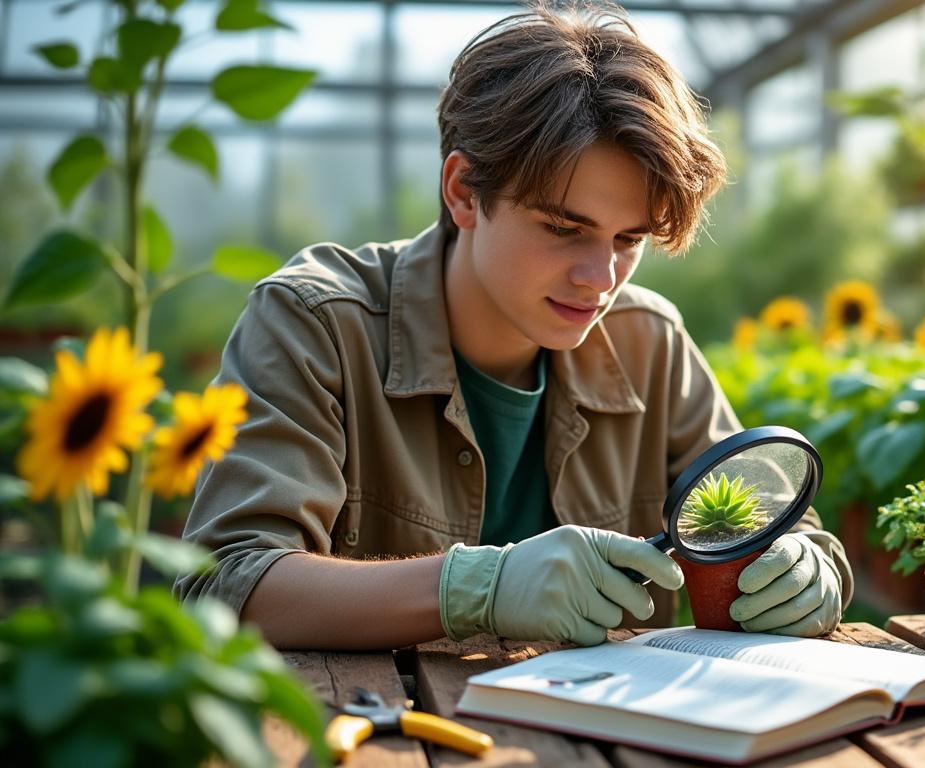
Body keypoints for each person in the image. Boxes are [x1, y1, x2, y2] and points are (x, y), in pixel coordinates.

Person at [175, 3, 852, 651]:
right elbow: (224, 583)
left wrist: (808, 571)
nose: (602, 278)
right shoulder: (315, 323)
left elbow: (787, 527)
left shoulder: (652, 344)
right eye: (564, 229)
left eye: (628, 239)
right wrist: (476, 588)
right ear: (464, 191)